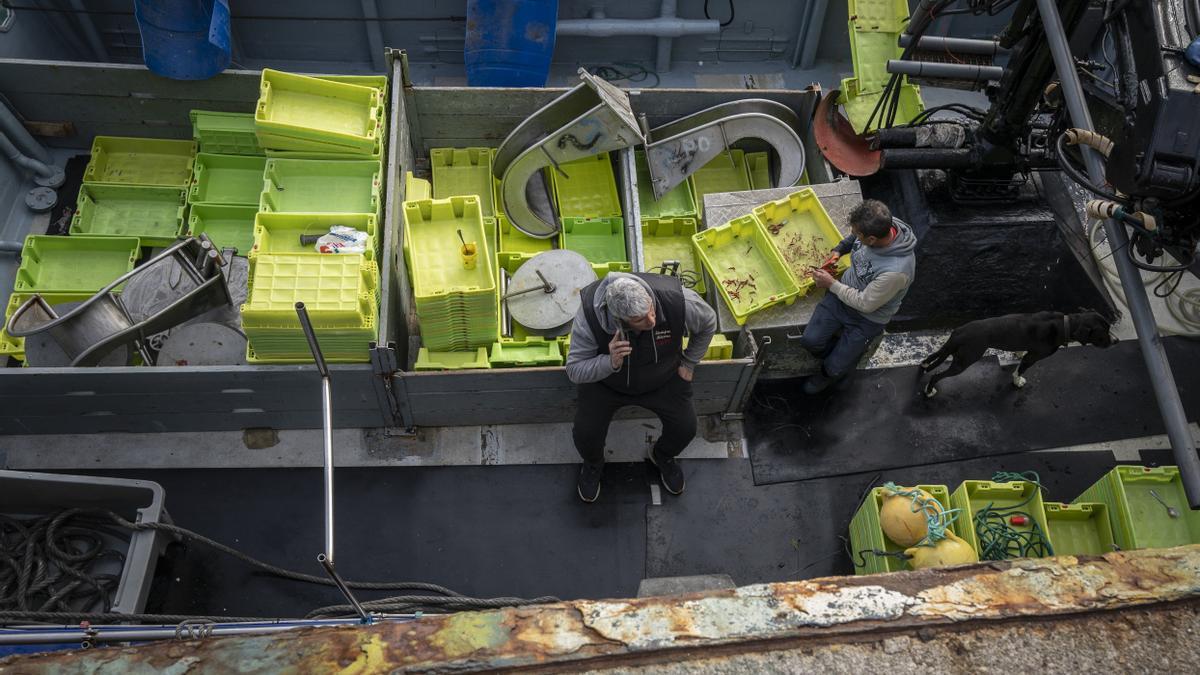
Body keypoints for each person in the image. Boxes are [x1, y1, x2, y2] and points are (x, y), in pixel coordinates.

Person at [565, 272, 717, 503]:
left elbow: (708, 323)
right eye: (639, 320)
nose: (652, 321)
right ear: (620, 320)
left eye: (651, 310)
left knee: (685, 429)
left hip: (663, 378)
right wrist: (610, 362)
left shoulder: (678, 301)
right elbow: (574, 369)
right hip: (607, 384)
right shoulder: (589, 318)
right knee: (585, 435)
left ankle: (662, 455)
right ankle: (594, 464)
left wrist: (689, 362)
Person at [801, 199, 917, 394]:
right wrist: (838, 250)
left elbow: (865, 304)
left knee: (836, 366)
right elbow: (852, 239)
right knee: (810, 341)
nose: (855, 236)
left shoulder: (896, 271)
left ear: (871, 240)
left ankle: (829, 373)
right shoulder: (885, 225)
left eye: (858, 234)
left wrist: (831, 284)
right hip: (842, 295)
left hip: (867, 317)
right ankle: (837, 352)